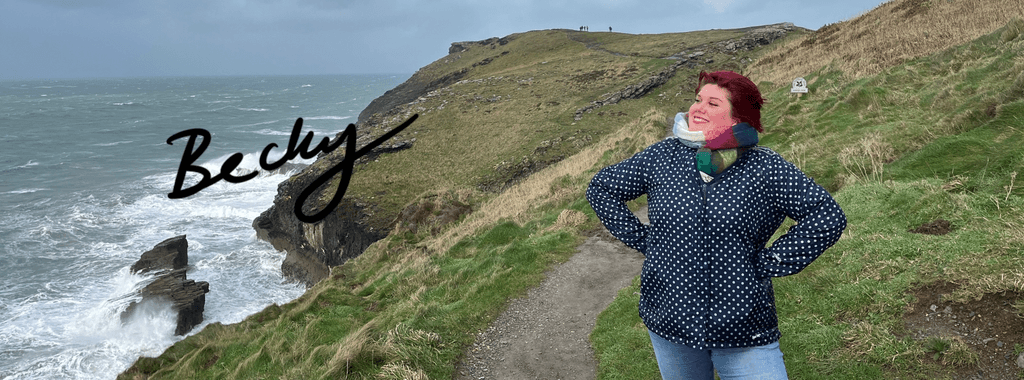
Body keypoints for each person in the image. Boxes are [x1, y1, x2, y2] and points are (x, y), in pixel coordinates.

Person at [586, 71, 846, 379]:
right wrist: (645, 240)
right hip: (670, 320)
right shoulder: (663, 156)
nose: (697, 109)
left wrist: (771, 260)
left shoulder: (765, 167)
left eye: (712, 103)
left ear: (737, 118)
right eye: (697, 100)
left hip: (743, 328)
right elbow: (601, 188)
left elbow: (826, 215)